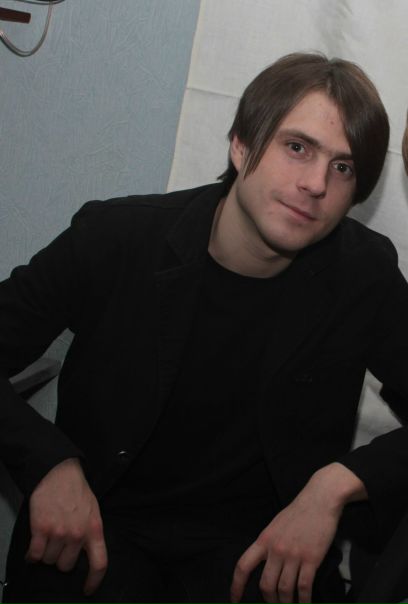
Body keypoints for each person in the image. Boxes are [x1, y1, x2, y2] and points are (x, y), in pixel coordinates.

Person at [1, 51, 407, 604]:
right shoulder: (117, 238)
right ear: (240, 145)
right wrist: (47, 462)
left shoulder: (363, 273)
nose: (316, 183)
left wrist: (335, 486)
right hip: (99, 526)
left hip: (260, 548)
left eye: (343, 168)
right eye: (297, 147)